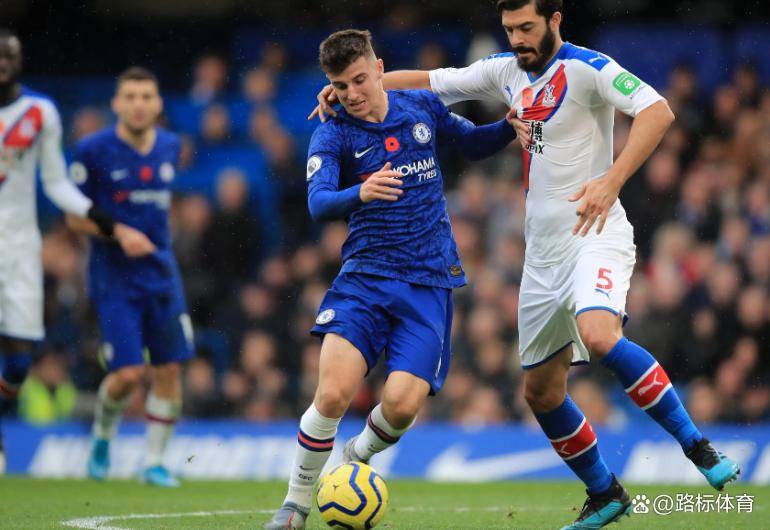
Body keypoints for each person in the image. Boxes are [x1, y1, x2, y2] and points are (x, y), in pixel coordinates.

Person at [312, 2, 741, 529]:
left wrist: (612, 181)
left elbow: (658, 111)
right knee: (540, 392)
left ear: (555, 20)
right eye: (510, 29)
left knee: (599, 334)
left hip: (594, 231)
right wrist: (347, 91)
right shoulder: (505, 70)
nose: (517, 38)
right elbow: (426, 80)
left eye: (526, 28)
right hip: (542, 255)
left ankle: (698, 447)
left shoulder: (589, 68)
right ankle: (605, 493)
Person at [264, 29, 517, 529]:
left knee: (401, 406)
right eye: (340, 85)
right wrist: (361, 192)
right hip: (365, 279)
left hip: (428, 282)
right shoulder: (333, 132)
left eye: (359, 79)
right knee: (331, 394)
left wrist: (509, 127)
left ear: (379, 68)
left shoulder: (420, 106)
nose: (352, 93)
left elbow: (471, 143)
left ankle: (355, 458)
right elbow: (318, 203)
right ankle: (294, 506)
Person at [66, 67, 195, 487]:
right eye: (131, 96)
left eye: (146, 96)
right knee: (127, 375)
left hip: (161, 274)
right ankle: (102, 437)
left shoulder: (171, 146)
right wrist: (119, 232)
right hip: (114, 277)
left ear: (158, 104)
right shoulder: (92, 150)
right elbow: (74, 216)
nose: (139, 104)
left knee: (169, 369)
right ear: (116, 104)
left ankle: (153, 462)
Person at [0, 28, 118, 473]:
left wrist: (93, 212)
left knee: (18, 361)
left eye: (9, 55)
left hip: (19, 246)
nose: (2, 62)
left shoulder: (40, 112)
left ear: (19, 60)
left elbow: (54, 181)